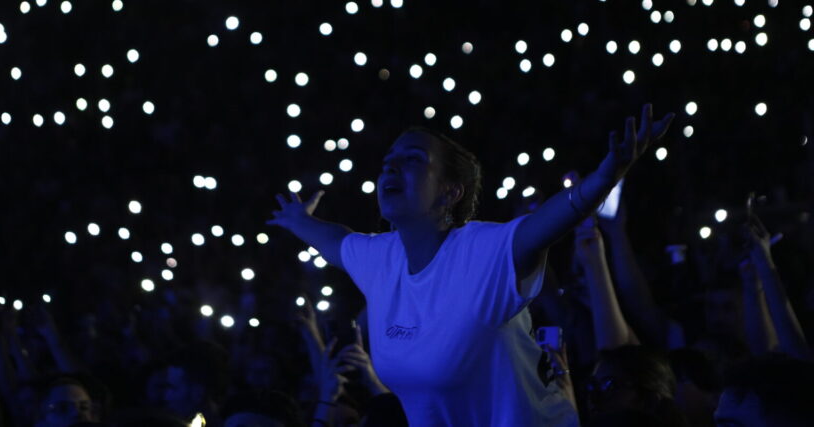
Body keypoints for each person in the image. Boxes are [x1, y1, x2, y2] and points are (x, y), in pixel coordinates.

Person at [268, 104, 673, 425]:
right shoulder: (382, 257)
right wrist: (299, 220)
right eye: (387, 160)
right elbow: (336, 242)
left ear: (449, 192)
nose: (389, 166)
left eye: (412, 159)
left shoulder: (481, 251)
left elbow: (543, 225)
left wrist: (602, 180)